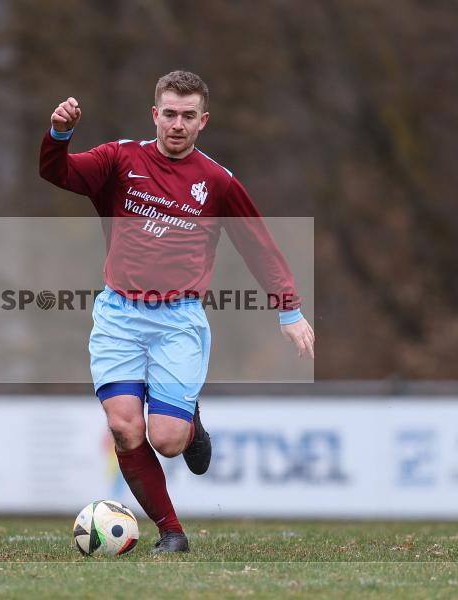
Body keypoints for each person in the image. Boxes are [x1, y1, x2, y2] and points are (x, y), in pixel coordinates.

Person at [39, 70, 315, 553]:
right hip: (120, 315)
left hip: (178, 321)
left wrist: (288, 310)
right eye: (170, 113)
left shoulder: (217, 181)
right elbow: (56, 173)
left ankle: (189, 422)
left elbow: (259, 245)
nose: (178, 124)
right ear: (155, 115)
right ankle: (172, 533)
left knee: (167, 440)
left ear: (203, 120)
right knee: (125, 428)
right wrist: (60, 134)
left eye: (189, 116)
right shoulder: (119, 159)